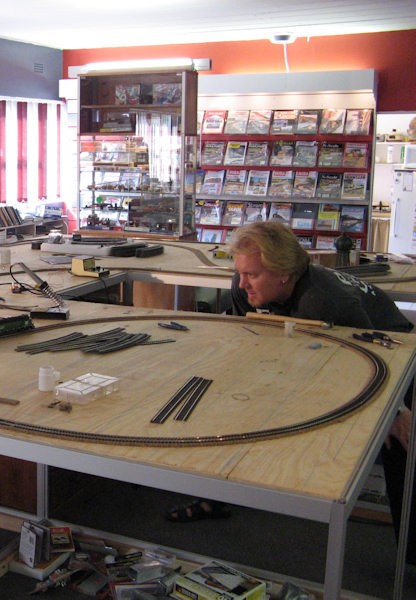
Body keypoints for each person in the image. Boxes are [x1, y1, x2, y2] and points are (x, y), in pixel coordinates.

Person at [165, 220, 414, 524]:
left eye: (252, 275)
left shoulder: (322, 300)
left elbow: (376, 356)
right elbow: (251, 337)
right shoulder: (245, 287)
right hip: (315, 342)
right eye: (240, 273)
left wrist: (396, 410)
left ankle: (407, 556)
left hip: (394, 350)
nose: (242, 284)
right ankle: (221, 491)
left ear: (284, 274)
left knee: (400, 438)